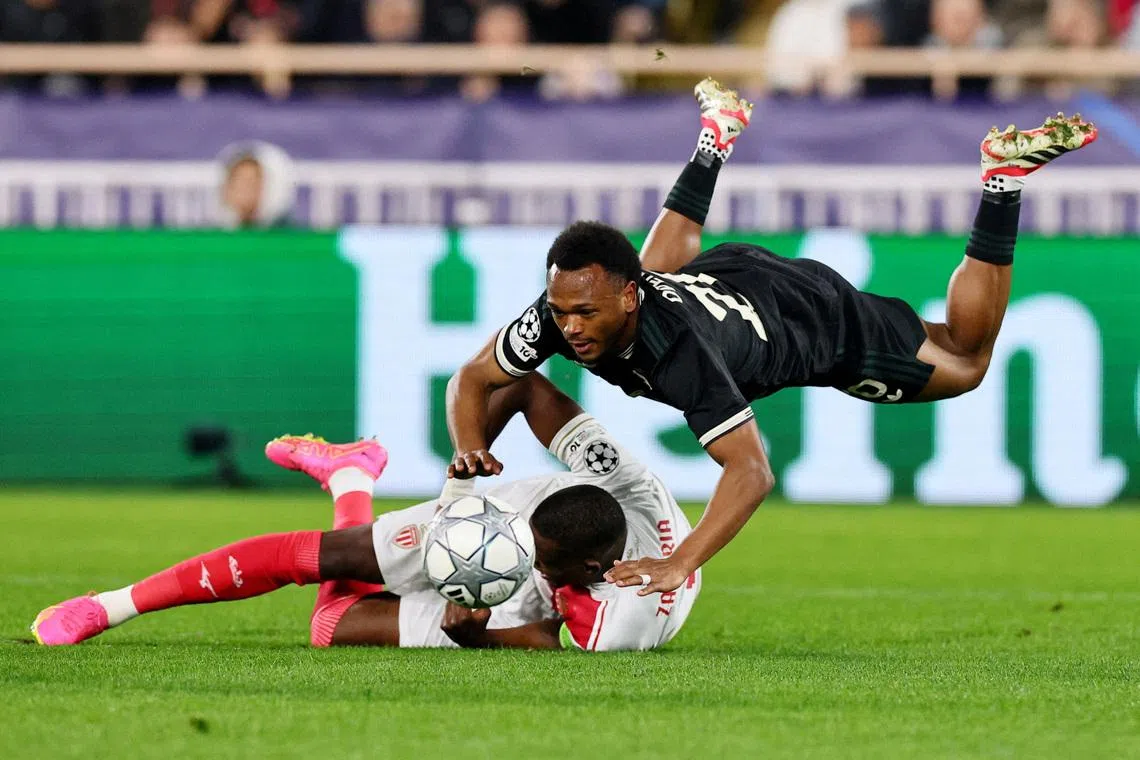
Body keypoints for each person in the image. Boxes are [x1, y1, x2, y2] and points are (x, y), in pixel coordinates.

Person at [445, 78, 1098, 595]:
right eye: (562, 313)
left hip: (812, 319)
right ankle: (715, 139)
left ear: (616, 298)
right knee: (654, 278)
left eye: (584, 314)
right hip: (727, 279)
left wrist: (680, 563)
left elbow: (751, 472)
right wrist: (469, 454)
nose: (571, 328)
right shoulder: (572, 305)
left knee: (964, 360)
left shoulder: (683, 359)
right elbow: (475, 378)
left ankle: (1002, 181)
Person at [31, 374, 699, 652]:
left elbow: (545, 642)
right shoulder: (621, 480)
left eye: (543, 559)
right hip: (495, 514)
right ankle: (109, 606)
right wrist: (470, 459)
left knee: (333, 624)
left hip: (529, 594)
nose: (528, 557)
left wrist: (477, 636)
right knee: (324, 554)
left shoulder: (624, 617)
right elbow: (522, 385)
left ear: (587, 569)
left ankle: (350, 472)